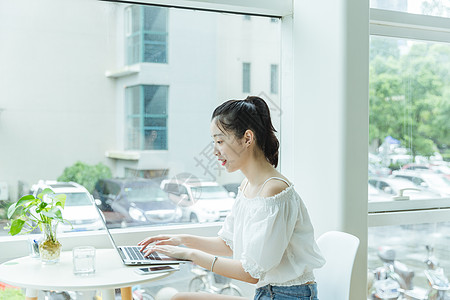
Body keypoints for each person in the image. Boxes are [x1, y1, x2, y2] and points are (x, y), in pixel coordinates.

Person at [138, 96, 325, 300]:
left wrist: (189, 254)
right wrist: (181, 240)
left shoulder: (274, 191)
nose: (215, 151)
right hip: (267, 294)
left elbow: (251, 273)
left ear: (247, 138)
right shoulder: (248, 186)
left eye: (220, 141)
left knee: (180, 299)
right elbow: (228, 244)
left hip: (289, 296)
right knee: (179, 299)